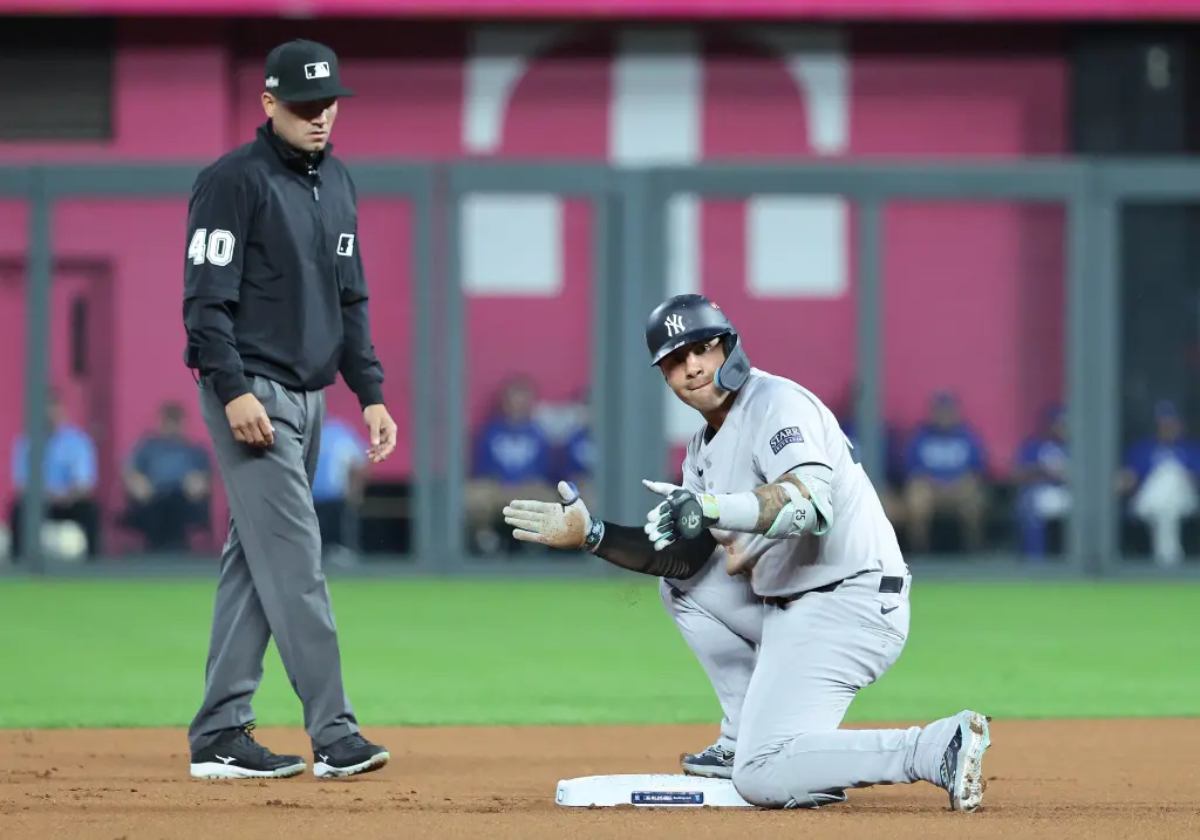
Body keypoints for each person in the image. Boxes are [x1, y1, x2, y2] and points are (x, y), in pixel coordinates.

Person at [503, 294, 990, 811]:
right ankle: (739, 738)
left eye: (702, 348)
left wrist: (713, 507)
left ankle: (933, 747)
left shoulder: (777, 404)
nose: (691, 367)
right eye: (673, 359)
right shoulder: (702, 449)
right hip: (792, 608)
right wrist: (593, 534)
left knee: (762, 777)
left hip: (853, 602)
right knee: (683, 584)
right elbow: (686, 559)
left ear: (728, 346)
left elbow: (810, 503)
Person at [181, 38, 394, 780]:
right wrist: (231, 387)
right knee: (298, 561)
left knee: (256, 562)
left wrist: (369, 392)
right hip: (254, 395)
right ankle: (334, 733)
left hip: (312, 396)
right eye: (304, 104)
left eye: (329, 101)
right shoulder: (231, 182)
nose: (321, 115)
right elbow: (205, 303)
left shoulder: (337, 182)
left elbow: (352, 298)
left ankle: (218, 731)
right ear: (268, 103)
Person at [465, 375, 554, 553]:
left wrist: (524, 485)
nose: (518, 404)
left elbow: (546, 471)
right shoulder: (488, 432)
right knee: (475, 496)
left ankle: (533, 543)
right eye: (514, 399)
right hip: (496, 487)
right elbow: (480, 469)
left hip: (528, 488)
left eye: (523, 399)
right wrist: (502, 485)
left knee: (546, 496)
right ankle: (486, 541)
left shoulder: (540, 433)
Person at [9, 391, 100, 561]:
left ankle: (93, 562)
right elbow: (21, 484)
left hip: (69, 501)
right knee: (18, 509)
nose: (49, 415)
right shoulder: (25, 442)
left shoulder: (78, 441)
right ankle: (18, 561)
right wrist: (46, 494)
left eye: (52, 409)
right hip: (39, 500)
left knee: (91, 511)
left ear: (61, 411)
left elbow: (85, 483)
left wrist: (66, 495)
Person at [901, 392, 989, 553]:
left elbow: (977, 471)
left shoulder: (968, 436)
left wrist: (954, 486)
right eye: (940, 411)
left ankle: (974, 550)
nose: (944, 416)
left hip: (959, 489)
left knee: (973, 495)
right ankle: (920, 550)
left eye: (948, 411)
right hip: (930, 489)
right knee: (917, 495)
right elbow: (912, 472)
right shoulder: (920, 437)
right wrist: (936, 485)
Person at [120, 401, 212, 551]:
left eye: (175, 421)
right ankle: (154, 551)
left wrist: (197, 485)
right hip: (153, 497)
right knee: (156, 506)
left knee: (176, 505)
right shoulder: (147, 448)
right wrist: (138, 484)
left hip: (183, 497)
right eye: (168, 421)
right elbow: (131, 472)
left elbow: (204, 479)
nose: (171, 426)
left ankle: (178, 550)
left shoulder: (194, 450)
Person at [1119, 400, 1200, 566]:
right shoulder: (1143, 449)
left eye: (1171, 424)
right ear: (1157, 426)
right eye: (1164, 424)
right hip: (1146, 503)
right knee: (1164, 479)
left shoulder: (1191, 449)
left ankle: (1165, 559)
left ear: (1179, 425)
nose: (1168, 428)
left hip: (1185, 501)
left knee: (1171, 474)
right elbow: (1126, 481)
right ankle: (1169, 559)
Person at [1012, 405, 1070, 559]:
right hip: (1042, 491)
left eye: (1065, 423)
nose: (1062, 427)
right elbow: (1017, 474)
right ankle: (1035, 560)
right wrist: (1042, 470)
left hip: (1071, 492)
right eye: (1059, 423)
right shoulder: (1035, 445)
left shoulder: (1078, 446)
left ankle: (1084, 560)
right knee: (1029, 503)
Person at [312, 415, 368, 555]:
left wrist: (354, 491)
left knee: (334, 535)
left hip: (333, 497)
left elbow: (357, 464)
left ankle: (338, 554)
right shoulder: (308, 433)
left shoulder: (340, 433)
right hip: (310, 496)